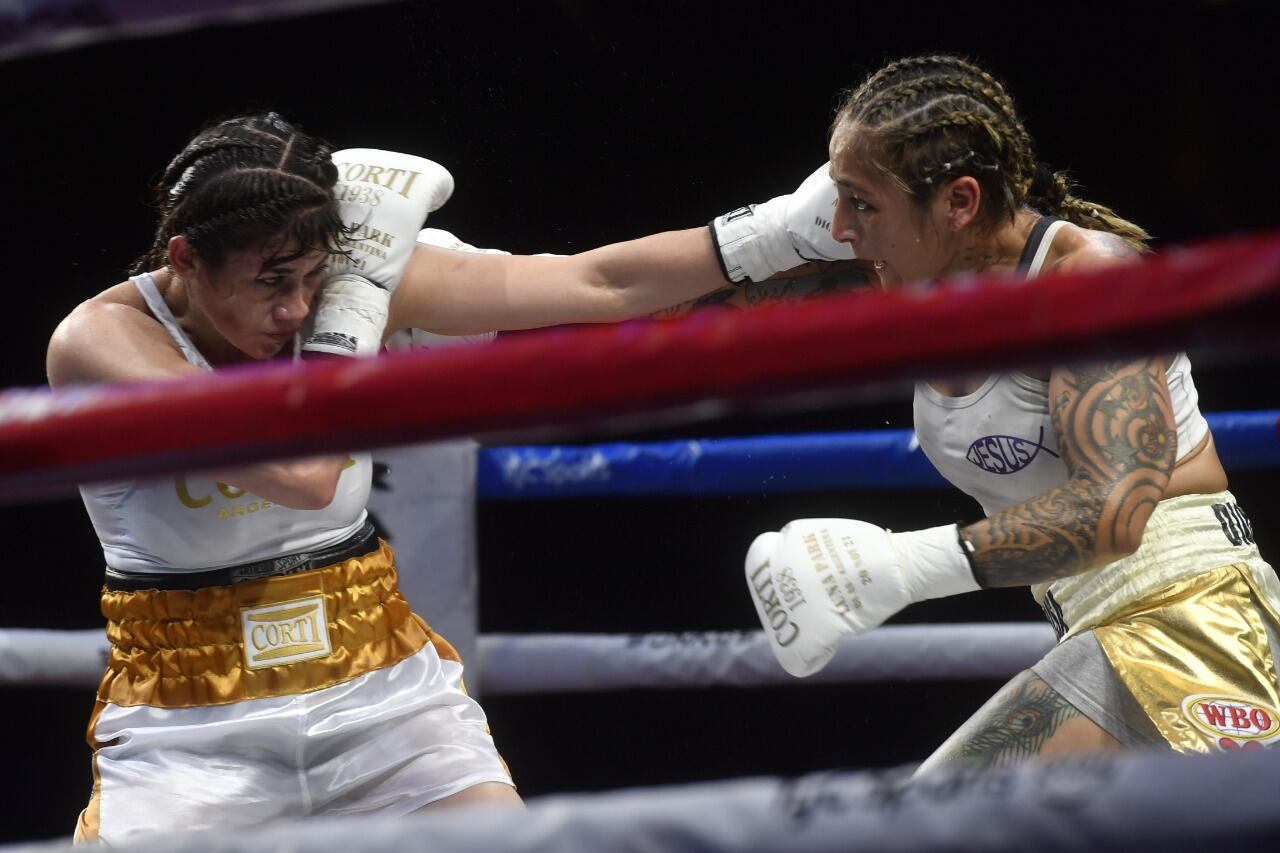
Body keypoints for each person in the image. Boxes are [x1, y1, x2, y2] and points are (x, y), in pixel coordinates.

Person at [46, 112, 878, 843]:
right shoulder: (103, 341)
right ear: (186, 258)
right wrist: (356, 310)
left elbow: (593, 281)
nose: (298, 309)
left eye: (313, 280)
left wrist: (775, 231)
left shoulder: (344, 279)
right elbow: (300, 474)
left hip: (377, 682)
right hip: (188, 723)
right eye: (271, 282)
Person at [742, 54, 1280, 769]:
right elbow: (626, 292)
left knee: (908, 831)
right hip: (1103, 632)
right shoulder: (910, 279)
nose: (840, 224)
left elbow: (1115, 509)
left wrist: (904, 563)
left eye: (862, 203)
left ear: (959, 202)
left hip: (1183, 620)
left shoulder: (1088, 280)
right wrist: (760, 237)